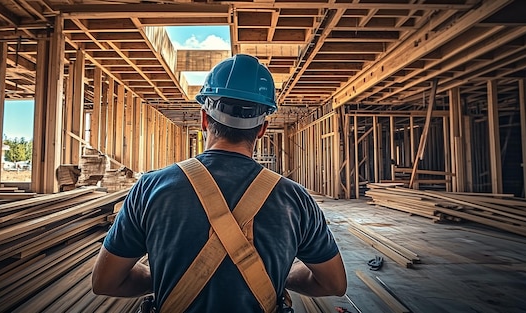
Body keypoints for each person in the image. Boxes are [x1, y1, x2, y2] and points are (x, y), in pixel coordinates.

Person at [92, 54, 347, 312]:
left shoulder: (150, 188)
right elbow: (333, 284)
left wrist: (159, 278)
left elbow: (106, 281)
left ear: (204, 119)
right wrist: (282, 278)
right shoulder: (295, 199)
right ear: (262, 128)